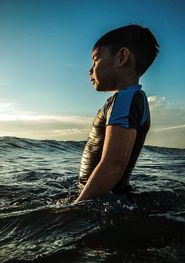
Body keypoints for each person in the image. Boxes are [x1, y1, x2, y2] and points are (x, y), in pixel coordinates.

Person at [75, 24, 159, 202]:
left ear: (122, 57)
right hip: (103, 197)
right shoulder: (126, 99)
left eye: (96, 59)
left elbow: (113, 165)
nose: (90, 70)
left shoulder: (126, 99)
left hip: (106, 200)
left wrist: (75, 207)